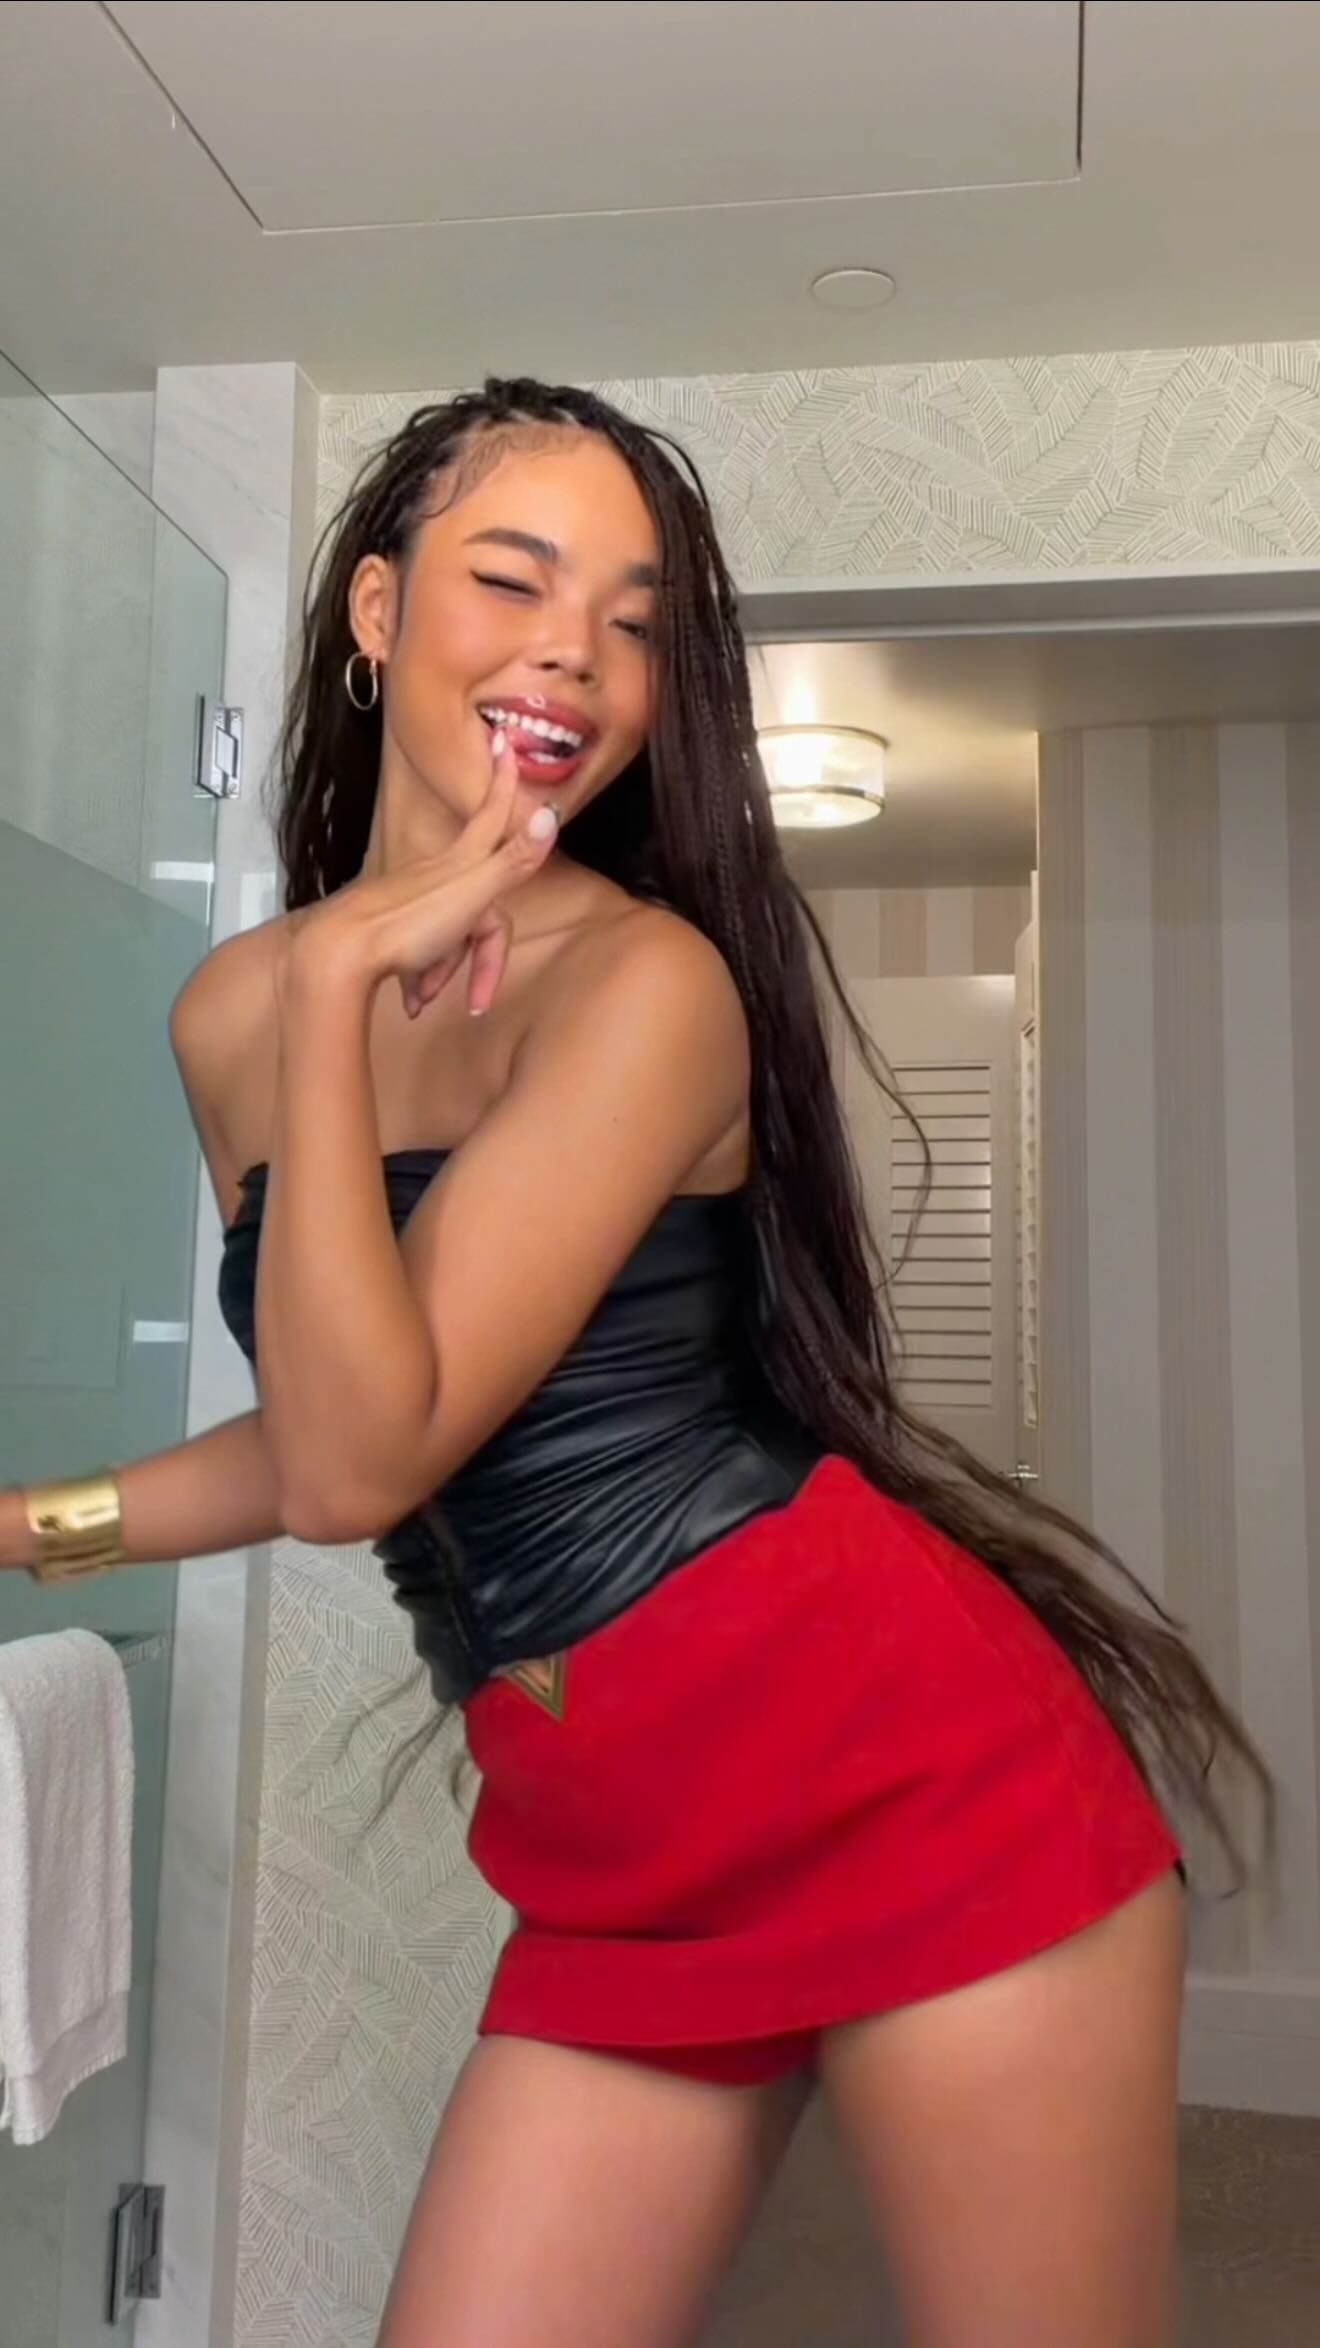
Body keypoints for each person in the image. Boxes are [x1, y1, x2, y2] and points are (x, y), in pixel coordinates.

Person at [2, 379, 1268, 2348]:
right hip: (612, 1863)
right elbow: (337, 1419)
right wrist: (30, 1529)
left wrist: (336, 992)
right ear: (377, 611)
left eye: (633, 621)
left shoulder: (644, 986)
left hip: (915, 1783)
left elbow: (353, 1468)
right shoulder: (232, 1011)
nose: (574, 656)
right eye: (514, 582)